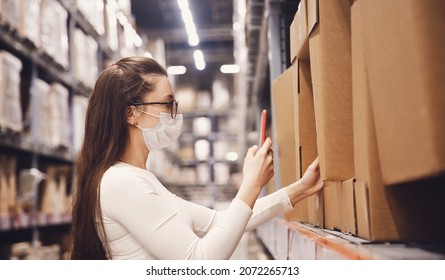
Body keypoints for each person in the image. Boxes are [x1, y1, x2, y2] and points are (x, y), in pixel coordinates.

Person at [70, 56, 324, 260]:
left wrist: (300, 189)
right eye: (167, 104)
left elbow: (219, 221)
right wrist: (251, 185)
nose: (175, 114)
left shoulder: (140, 178)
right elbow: (199, 261)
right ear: (132, 114)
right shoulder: (121, 182)